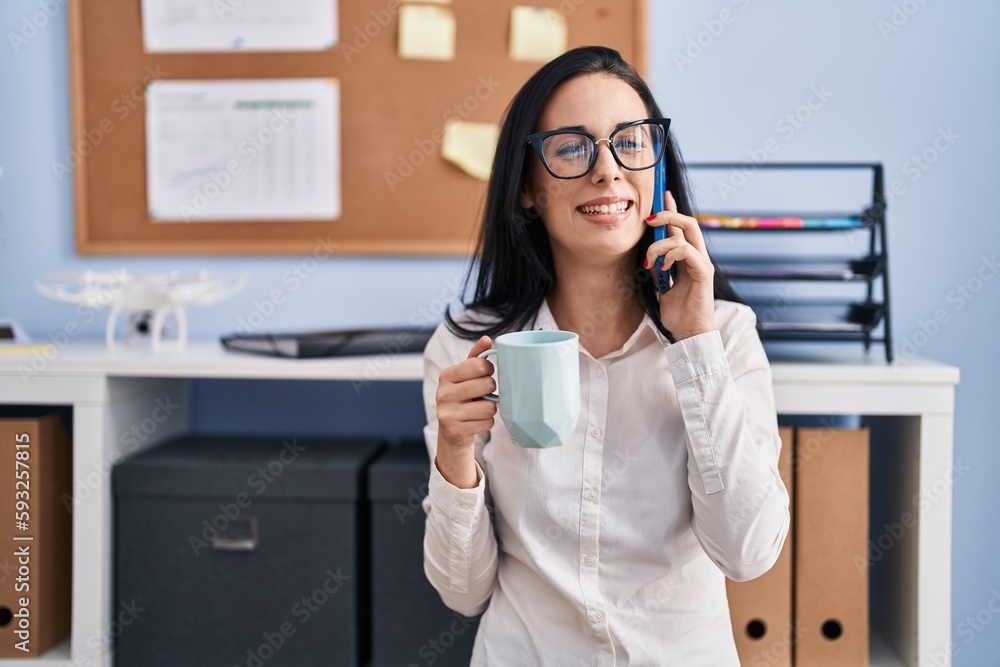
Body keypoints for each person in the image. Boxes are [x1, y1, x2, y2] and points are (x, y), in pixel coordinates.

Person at [420, 45, 789, 666]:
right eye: (571, 146)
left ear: (659, 167)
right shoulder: (465, 347)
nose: (608, 170)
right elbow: (462, 593)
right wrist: (454, 458)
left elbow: (748, 554)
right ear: (527, 189)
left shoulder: (723, 333)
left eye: (631, 141)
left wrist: (694, 346)